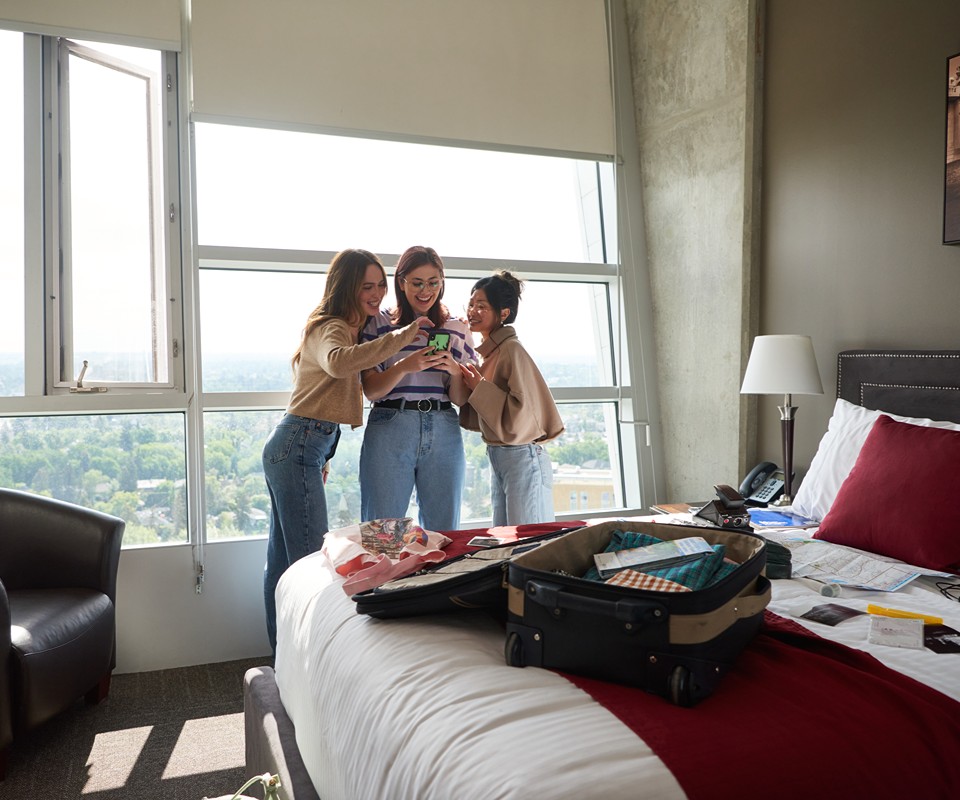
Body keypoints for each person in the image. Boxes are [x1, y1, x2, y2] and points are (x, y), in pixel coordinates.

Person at [262, 248, 432, 653]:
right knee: (307, 564)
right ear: (346, 288)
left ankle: (283, 656)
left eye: (379, 285)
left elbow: (329, 396)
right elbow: (339, 365)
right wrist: (401, 338)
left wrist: (323, 456)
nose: (375, 294)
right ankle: (307, 658)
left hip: (302, 447)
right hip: (299, 444)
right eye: (366, 287)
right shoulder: (330, 327)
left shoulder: (345, 328)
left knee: (284, 564)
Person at [359, 245, 477, 531]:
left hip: (443, 428)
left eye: (434, 282)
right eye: (417, 283)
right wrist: (404, 366)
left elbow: (461, 400)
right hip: (390, 426)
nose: (426, 290)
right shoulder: (379, 323)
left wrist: (455, 373)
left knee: (445, 532)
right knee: (383, 534)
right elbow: (371, 391)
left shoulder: (457, 328)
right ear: (401, 282)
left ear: (442, 282)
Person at [458, 270, 564, 526]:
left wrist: (478, 386)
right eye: (471, 304)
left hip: (522, 457)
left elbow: (524, 412)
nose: (472, 311)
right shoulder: (490, 353)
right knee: (506, 540)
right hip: (501, 456)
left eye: (481, 306)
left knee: (528, 540)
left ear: (503, 313)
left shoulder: (511, 349)